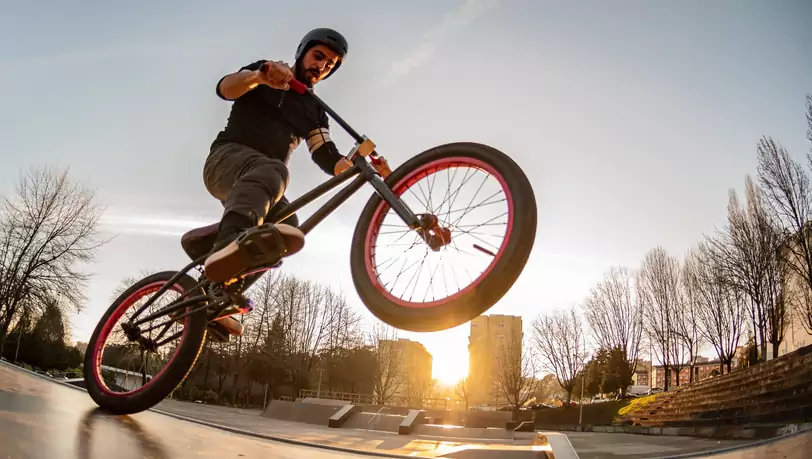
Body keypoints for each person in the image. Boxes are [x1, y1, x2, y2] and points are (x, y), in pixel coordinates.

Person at [191, 27, 390, 284]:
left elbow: (328, 158)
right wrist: (259, 77)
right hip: (225, 161)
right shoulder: (266, 71)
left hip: (262, 185)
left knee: (287, 228)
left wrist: (367, 168)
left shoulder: (314, 111)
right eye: (318, 57)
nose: (321, 66)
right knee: (275, 170)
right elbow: (225, 89)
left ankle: (216, 291)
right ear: (302, 52)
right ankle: (226, 240)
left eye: (329, 65)